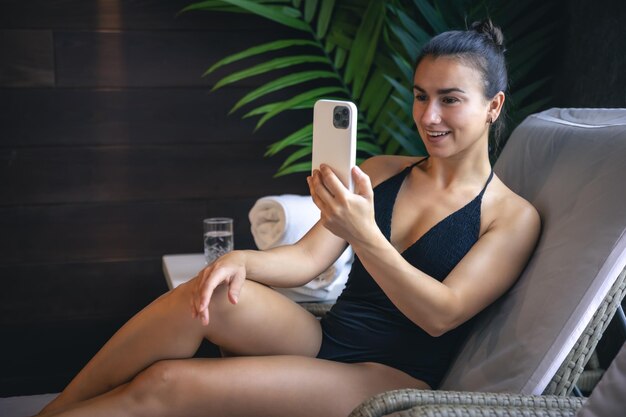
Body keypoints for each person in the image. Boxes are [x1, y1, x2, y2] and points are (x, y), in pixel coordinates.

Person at [36, 19, 540, 417]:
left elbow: (441, 315)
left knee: (165, 383)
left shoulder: (511, 217)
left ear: (493, 106)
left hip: (391, 374)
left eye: (449, 99)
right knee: (203, 294)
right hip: (329, 336)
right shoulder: (382, 172)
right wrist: (239, 260)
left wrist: (365, 234)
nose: (429, 116)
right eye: (420, 95)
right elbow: (304, 259)